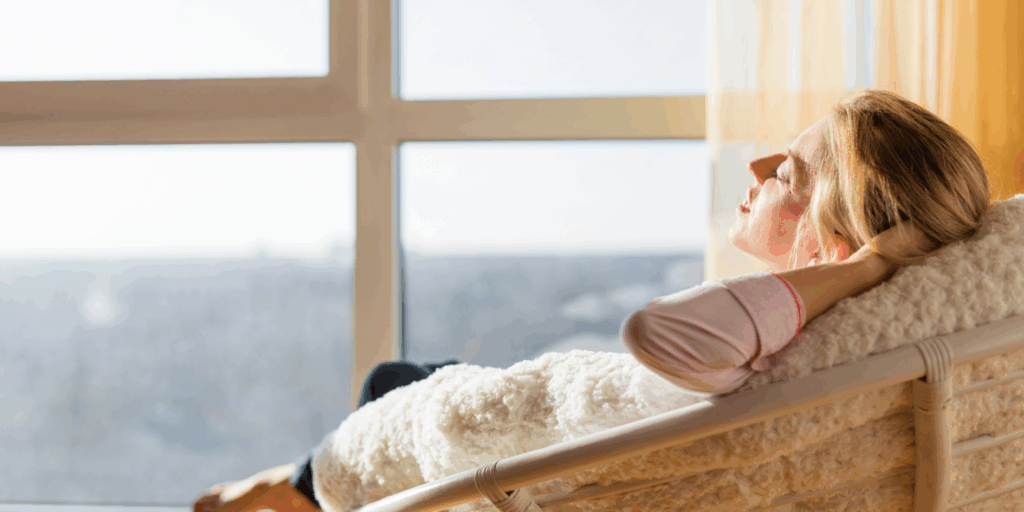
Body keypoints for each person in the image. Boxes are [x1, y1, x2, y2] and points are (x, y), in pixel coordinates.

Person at [193, 88, 991, 511]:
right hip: (580, 430)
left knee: (389, 383)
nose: (756, 168)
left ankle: (288, 493)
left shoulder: (812, 313)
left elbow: (661, 333)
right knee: (403, 374)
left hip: (519, 459)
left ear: (834, 241)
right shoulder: (859, 333)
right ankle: (286, 484)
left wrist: (861, 269)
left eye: (786, 174)